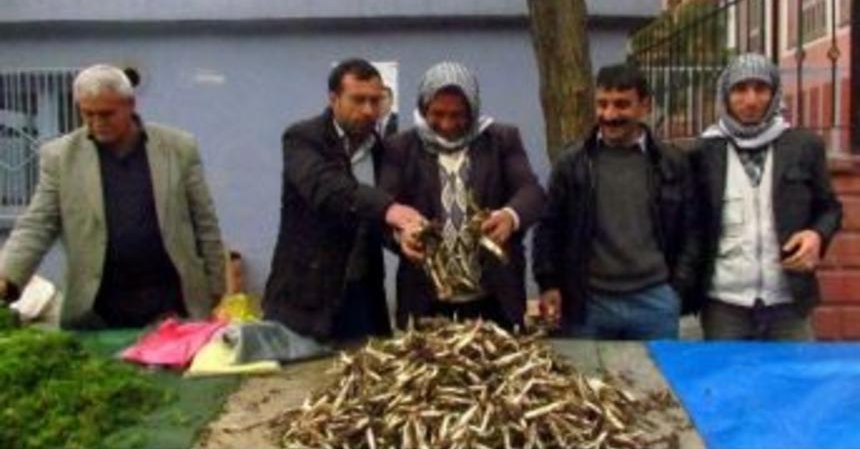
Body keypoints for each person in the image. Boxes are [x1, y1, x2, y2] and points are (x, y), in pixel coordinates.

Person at [0, 64, 225, 328]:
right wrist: (8, 277)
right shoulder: (60, 157)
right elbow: (38, 224)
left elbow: (203, 219)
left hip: (172, 299)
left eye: (107, 114)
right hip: (98, 305)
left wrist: (215, 283)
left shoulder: (177, 148)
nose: (97, 123)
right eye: (88, 114)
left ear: (130, 105)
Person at [263, 58, 423, 352]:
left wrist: (402, 237)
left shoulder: (383, 150)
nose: (368, 110)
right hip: (307, 300)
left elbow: (377, 220)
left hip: (364, 297)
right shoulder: (303, 138)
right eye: (358, 100)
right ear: (334, 99)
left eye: (376, 101)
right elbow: (326, 189)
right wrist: (389, 209)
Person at [533, 63, 699, 339]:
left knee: (653, 381)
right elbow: (548, 227)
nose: (609, 115)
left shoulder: (672, 163)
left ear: (644, 105)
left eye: (622, 105)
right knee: (586, 381)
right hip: (589, 303)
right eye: (602, 104)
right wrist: (548, 283)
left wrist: (677, 289)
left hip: (654, 302)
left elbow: (692, 230)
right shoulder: (572, 163)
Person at [380, 62, 544, 329]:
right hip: (427, 302)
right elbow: (384, 209)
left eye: (458, 115)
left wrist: (510, 216)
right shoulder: (400, 148)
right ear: (423, 108)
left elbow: (531, 192)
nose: (447, 124)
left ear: (473, 108)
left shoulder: (501, 140)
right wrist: (401, 236)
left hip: (494, 302)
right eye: (437, 113)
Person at [690, 53, 842, 340]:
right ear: (725, 94)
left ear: (774, 94)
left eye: (760, 89)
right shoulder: (704, 152)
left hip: (788, 301)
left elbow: (829, 208)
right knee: (729, 382)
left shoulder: (803, 146)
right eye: (740, 89)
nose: (750, 100)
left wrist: (816, 235)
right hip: (725, 305)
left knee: (793, 382)